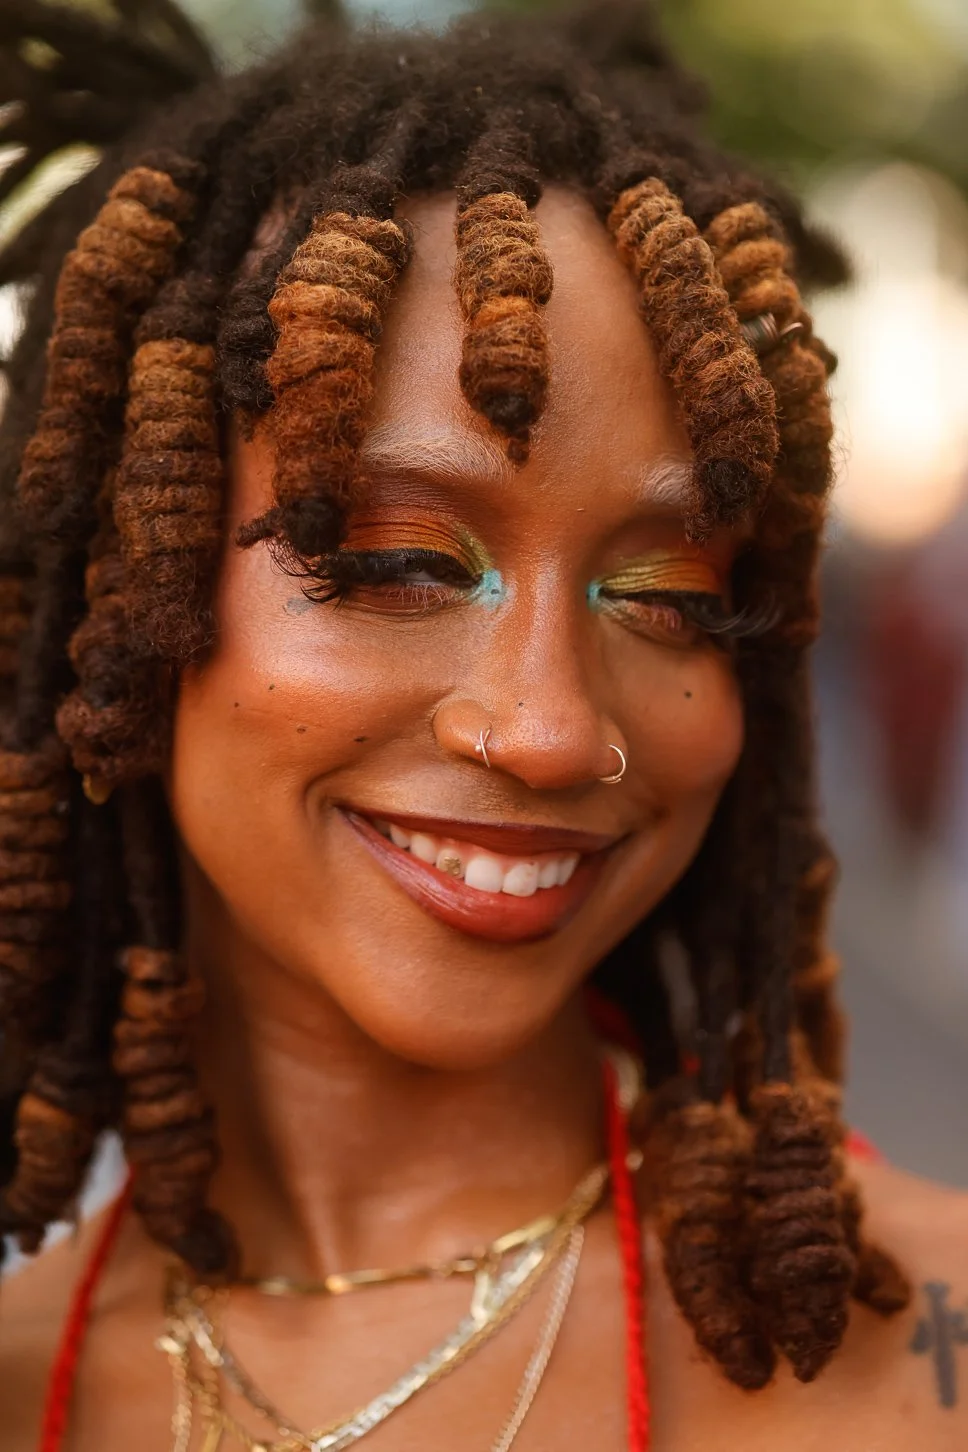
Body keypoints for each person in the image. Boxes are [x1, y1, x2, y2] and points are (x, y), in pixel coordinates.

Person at [0, 2, 965, 1448]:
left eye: (672, 596)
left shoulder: (923, 1346)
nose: (551, 728)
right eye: (397, 565)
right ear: (117, 594)